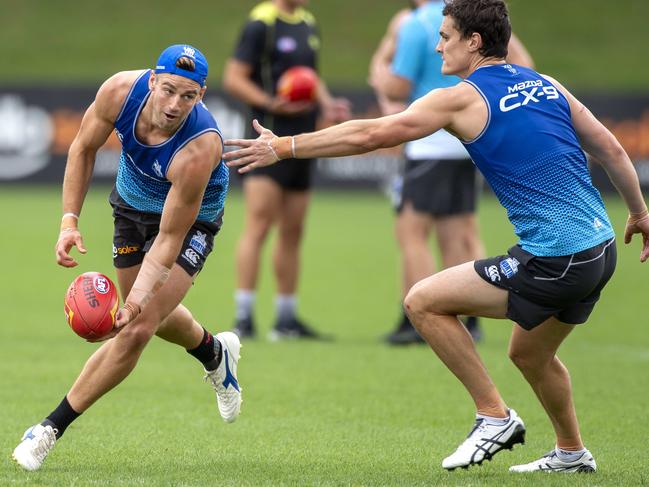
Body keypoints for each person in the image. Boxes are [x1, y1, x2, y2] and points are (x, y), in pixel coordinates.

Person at [224, 0, 649, 473]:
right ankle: (571, 452)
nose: (437, 44)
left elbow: (373, 134)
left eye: (446, 36)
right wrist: (639, 213)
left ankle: (493, 416)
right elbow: (610, 148)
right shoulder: (544, 83)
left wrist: (284, 146)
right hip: (601, 248)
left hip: (557, 257)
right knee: (529, 353)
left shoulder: (462, 98)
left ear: (475, 42)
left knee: (423, 301)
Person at [12, 45, 242, 472]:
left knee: (136, 326)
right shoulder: (119, 91)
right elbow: (82, 148)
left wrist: (135, 304)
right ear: (153, 80)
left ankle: (48, 429)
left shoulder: (199, 148)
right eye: (169, 90)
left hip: (190, 224)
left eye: (188, 96)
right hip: (131, 206)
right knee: (152, 315)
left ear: (202, 96)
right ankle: (213, 352)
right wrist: (69, 222)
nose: (175, 105)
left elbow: (169, 239)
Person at [370, 0, 535, 345]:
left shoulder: (416, 23)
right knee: (460, 230)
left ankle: (417, 317)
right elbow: (524, 64)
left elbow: (396, 89)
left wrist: (380, 65)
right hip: (472, 134)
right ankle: (471, 318)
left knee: (411, 231)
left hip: (432, 138)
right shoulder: (476, 18)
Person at [223, 0, 350, 340]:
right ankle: (244, 317)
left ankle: (285, 319)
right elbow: (234, 77)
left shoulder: (308, 21)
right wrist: (269, 103)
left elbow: (310, 77)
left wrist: (326, 103)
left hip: (301, 142)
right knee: (259, 225)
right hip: (266, 141)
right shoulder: (261, 23)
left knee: (293, 230)